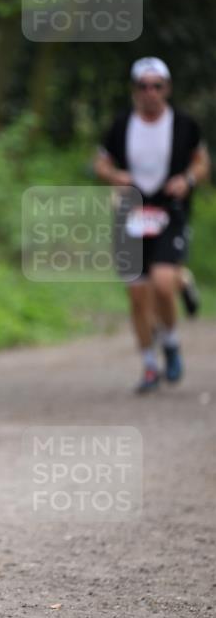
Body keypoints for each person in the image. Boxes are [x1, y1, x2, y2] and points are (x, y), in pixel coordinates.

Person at [94, 57, 210, 393]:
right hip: (131, 213)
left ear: (167, 88)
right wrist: (116, 175)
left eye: (157, 86)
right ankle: (148, 364)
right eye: (143, 86)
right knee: (136, 293)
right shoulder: (121, 124)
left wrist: (187, 179)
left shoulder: (184, 124)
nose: (150, 92)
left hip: (170, 211)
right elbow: (101, 162)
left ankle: (170, 342)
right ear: (135, 90)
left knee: (161, 283)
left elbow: (202, 162)